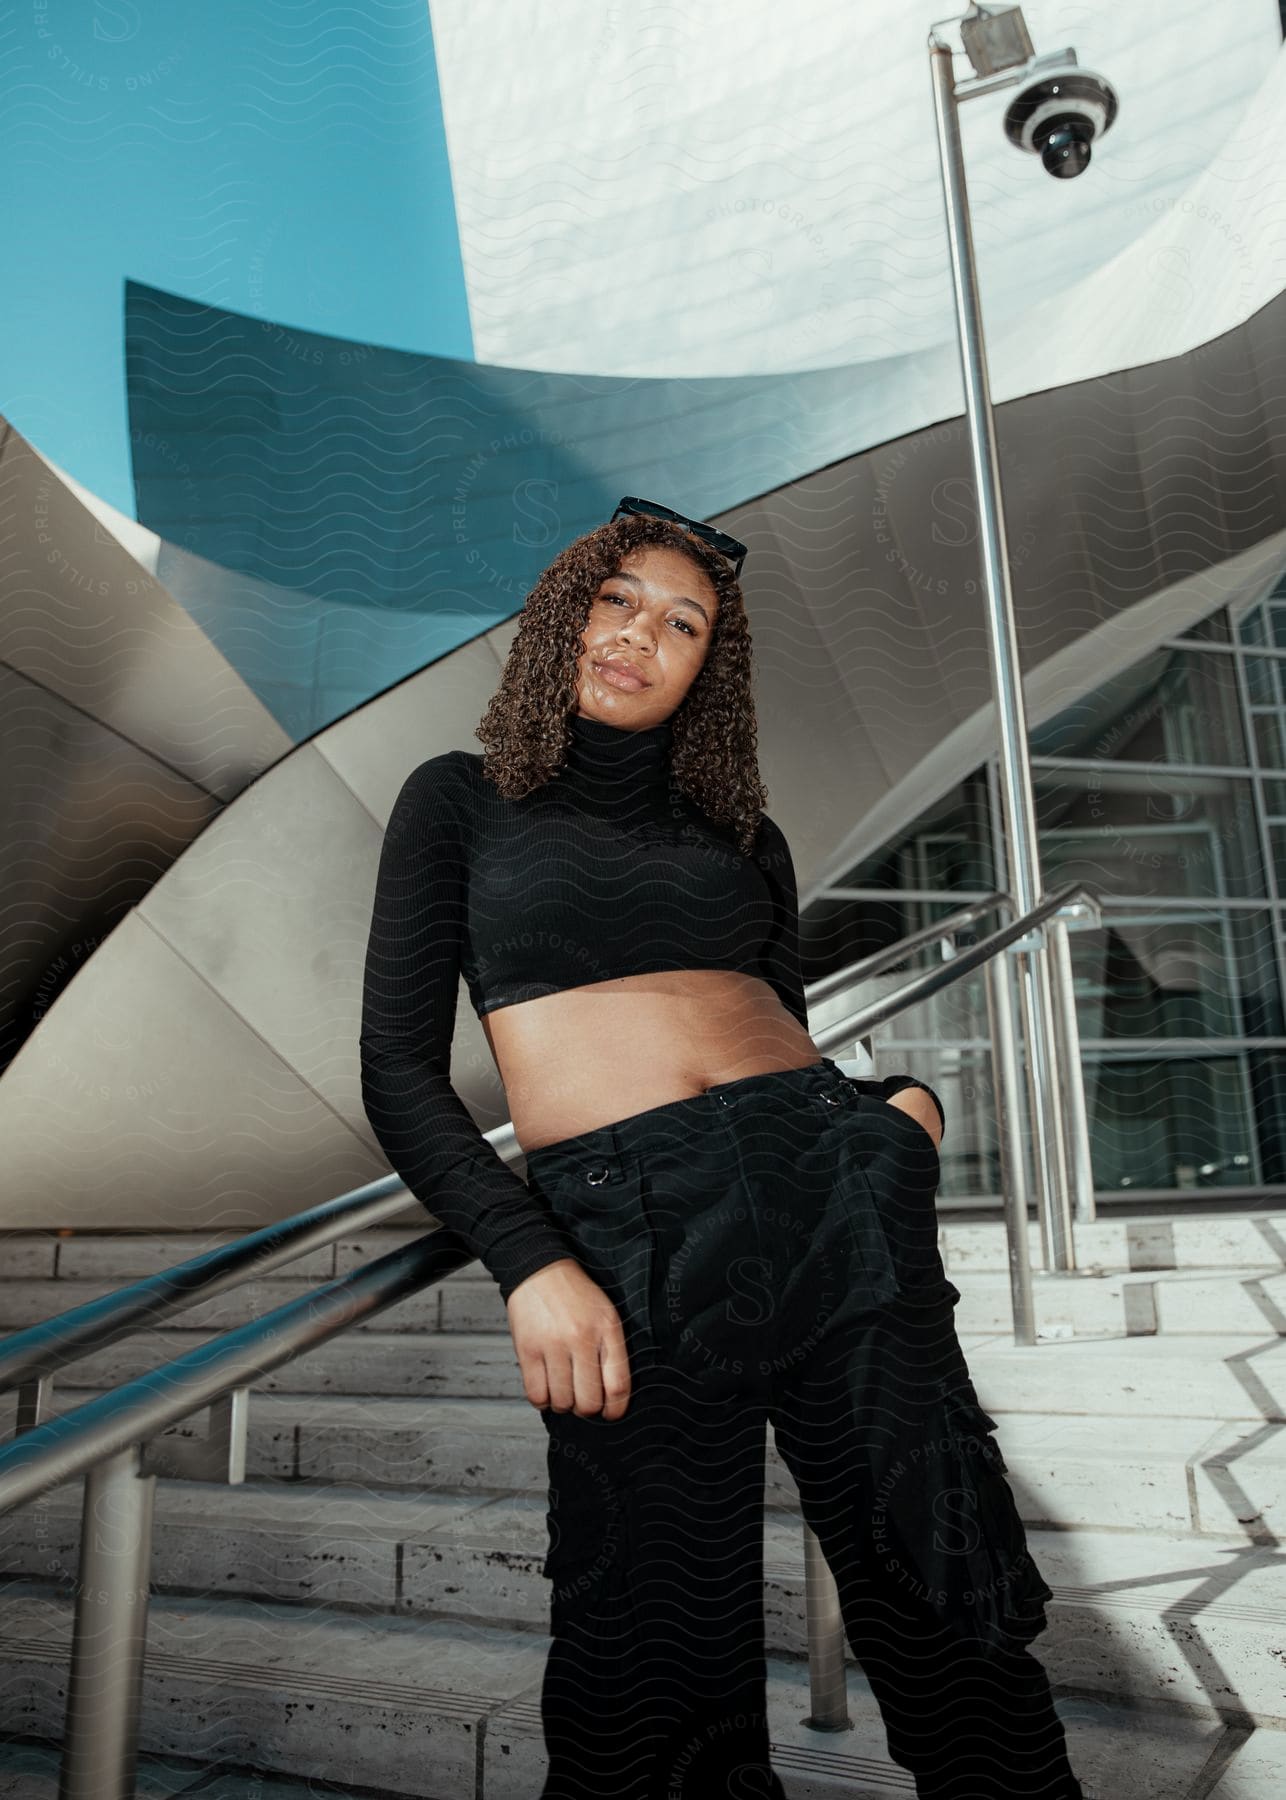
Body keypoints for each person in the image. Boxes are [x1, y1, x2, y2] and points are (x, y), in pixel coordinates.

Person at [359, 500, 1084, 1800]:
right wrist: (527, 1257)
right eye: (617, 599)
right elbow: (398, 1070)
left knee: (948, 1597)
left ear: (712, 664)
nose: (641, 635)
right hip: (627, 1232)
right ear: (561, 613)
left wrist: (894, 1120)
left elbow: (782, 1032)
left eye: (681, 622)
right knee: (649, 1668)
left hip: (832, 1197)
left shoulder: (747, 840)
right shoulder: (460, 802)